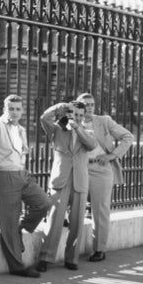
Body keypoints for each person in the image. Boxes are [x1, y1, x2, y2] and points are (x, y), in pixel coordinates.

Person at [0, 94, 51, 277]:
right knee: (8, 223)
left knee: (43, 203)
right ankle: (17, 266)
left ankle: (22, 226)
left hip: (21, 174)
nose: (14, 112)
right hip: (3, 176)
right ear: (5, 109)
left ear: (22, 110)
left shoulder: (20, 129)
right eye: (11, 108)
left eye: (18, 109)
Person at [36, 101, 97, 272]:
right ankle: (46, 257)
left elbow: (92, 145)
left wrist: (77, 127)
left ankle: (72, 258)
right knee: (54, 219)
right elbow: (43, 118)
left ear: (83, 116)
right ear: (68, 113)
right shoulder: (56, 129)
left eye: (79, 114)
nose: (75, 117)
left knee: (77, 221)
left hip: (80, 181)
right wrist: (59, 107)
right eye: (73, 113)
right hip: (61, 181)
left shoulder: (88, 131)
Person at [77, 92, 134, 262]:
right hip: (79, 168)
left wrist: (112, 155)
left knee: (100, 209)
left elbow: (127, 136)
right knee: (70, 203)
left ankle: (99, 249)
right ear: (78, 106)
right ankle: (70, 248)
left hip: (100, 169)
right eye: (85, 104)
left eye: (92, 104)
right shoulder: (73, 122)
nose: (89, 107)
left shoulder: (104, 121)